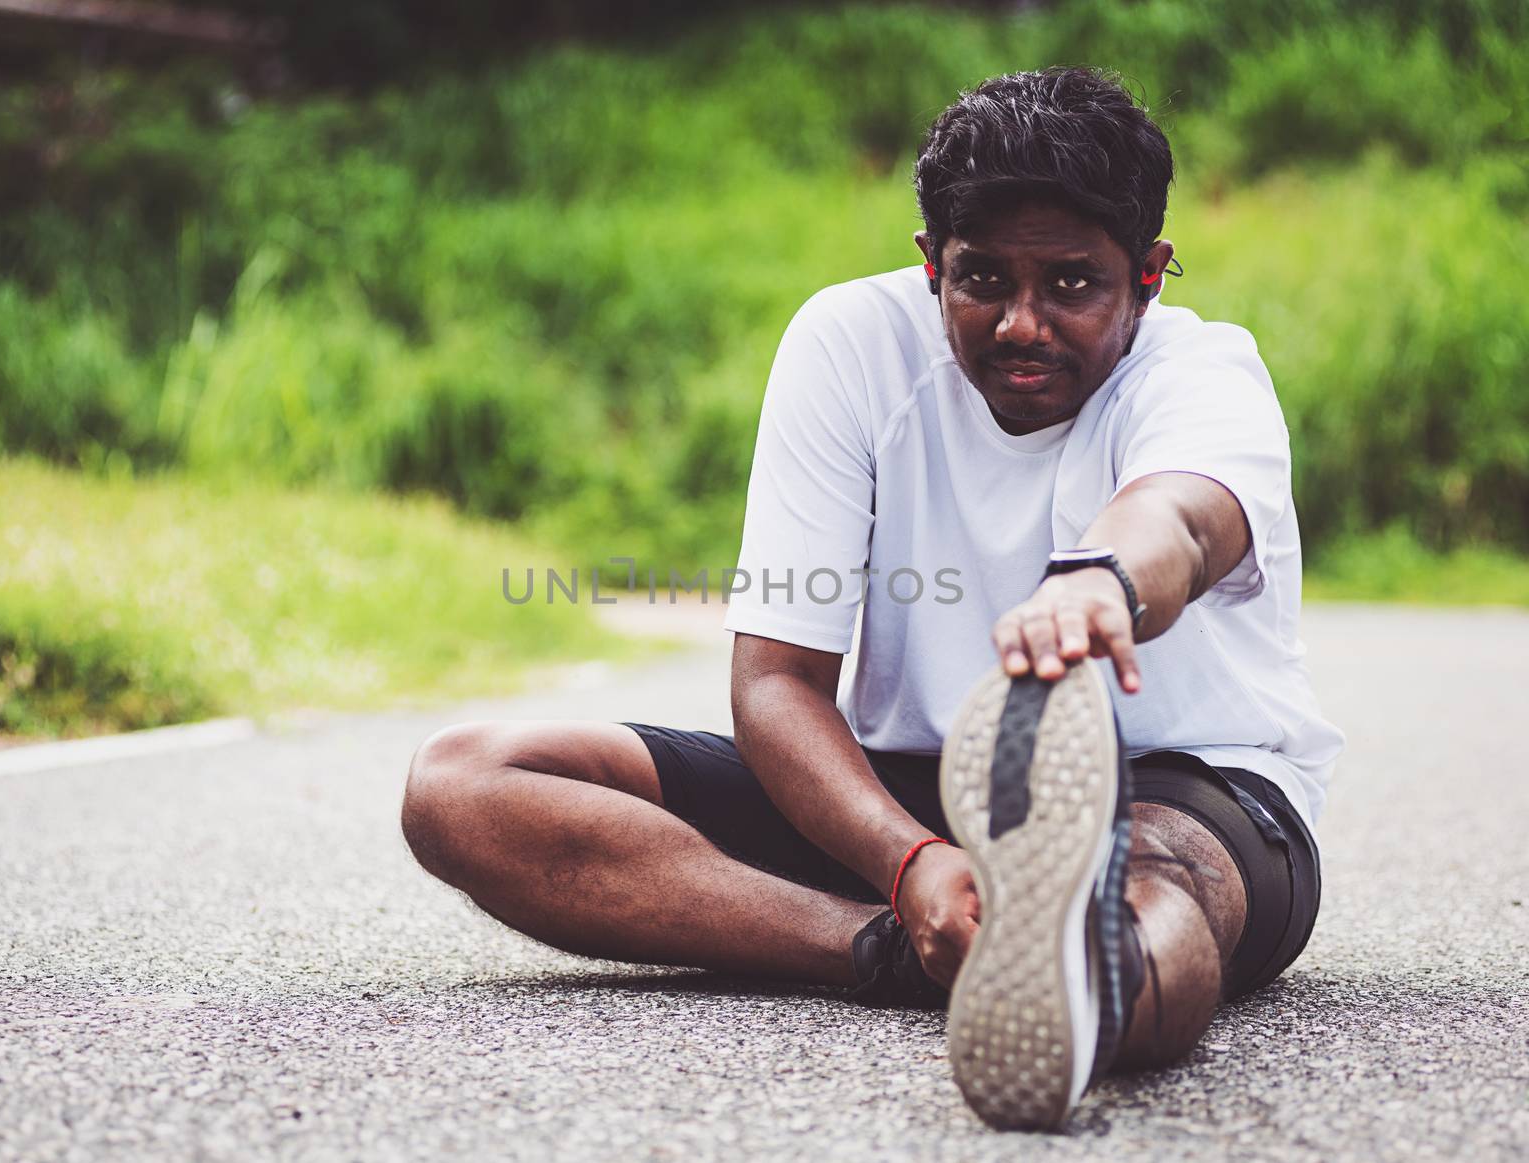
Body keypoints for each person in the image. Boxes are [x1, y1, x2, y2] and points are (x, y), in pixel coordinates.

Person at [399, 67, 1343, 1132]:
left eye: (1073, 285)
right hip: (916, 793)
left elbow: (1179, 517)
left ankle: (1091, 976)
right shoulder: (849, 346)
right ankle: (894, 950)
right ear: (930, 265)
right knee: (464, 782)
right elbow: (774, 685)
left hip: (1189, 787)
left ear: (1149, 274)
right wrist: (908, 868)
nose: (1022, 323)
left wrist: (1099, 584)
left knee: (1160, 889)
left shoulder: (1204, 373)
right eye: (981, 279)